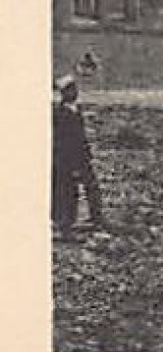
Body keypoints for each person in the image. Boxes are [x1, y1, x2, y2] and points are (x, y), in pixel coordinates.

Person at [52, 76, 103, 237]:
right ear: (63, 93)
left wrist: (87, 154)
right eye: (69, 90)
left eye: (74, 89)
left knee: (91, 186)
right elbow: (63, 141)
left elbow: (80, 137)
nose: (74, 92)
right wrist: (69, 163)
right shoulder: (60, 114)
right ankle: (65, 223)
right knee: (67, 190)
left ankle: (96, 218)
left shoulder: (75, 110)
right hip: (67, 159)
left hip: (82, 157)